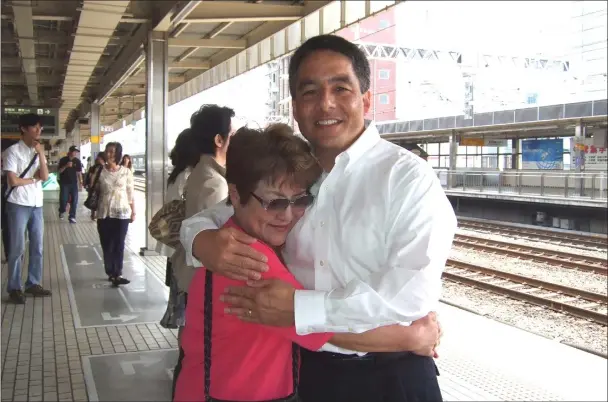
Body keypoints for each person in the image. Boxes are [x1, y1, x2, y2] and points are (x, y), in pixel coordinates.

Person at [180, 34, 456, 401]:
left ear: (366, 99)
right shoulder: (292, 174)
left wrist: (298, 311)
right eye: (309, 92)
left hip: (391, 375)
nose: (325, 104)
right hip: (306, 372)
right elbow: (221, 215)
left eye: (341, 88)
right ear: (295, 106)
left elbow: (410, 293)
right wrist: (200, 240)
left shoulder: (406, 177)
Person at [169, 104, 234, 397]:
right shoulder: (215, 183)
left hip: (188, 276)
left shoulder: (200, 173)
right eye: (231, 134)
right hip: (202, 283)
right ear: (219, 140)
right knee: (198, 353)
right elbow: (216, 246)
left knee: (189, 348)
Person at [2, 113, 51, 304]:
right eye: (35, 127)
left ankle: (33, 283)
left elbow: (45, 176)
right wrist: (32, 179)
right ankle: (14, 287)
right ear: (23, 128)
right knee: (17, 248)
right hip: (17, 204)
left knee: (37, 246)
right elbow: (13, 180)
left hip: (37, 205)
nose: (39, 131)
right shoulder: (12, 151)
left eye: (40, 128)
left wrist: (40, 153)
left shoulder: (37, 152)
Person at [93, 142, 135, 287]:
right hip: (104, 213)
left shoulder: (126, 172)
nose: (109, 154)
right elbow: (95, 192)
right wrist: (93, 211)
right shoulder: (100, 171)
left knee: (119, 243)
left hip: (122, 213)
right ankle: (110, 271)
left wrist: (133, 211)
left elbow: (130, 193)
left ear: (118, 154)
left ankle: (118, 273)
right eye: (107, 151)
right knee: (107, 244)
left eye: (112, 152)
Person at [58, 145, 83, 223]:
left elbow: (79, 173)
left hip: (74, 184)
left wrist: (81, 183)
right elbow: (59, 171)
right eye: (74, 151)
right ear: (70, 151)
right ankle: (62, 210)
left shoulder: (77, 161)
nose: (75, 153)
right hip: (64, 183)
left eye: (76, 152)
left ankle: (72, 216)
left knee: (74, 200)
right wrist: (66, 166)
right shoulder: (63, 160)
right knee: (64, 199)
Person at [86, 152, 106, 221]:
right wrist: (91, 186)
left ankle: (97, 214)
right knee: (94, 200)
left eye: (99, 158)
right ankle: (93, 214)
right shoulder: (94, 167)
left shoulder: (105, 167)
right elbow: (91, 176)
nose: (98, 159)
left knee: (99, 200)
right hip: (95, 186)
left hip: (102, 186)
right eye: (98, 158)